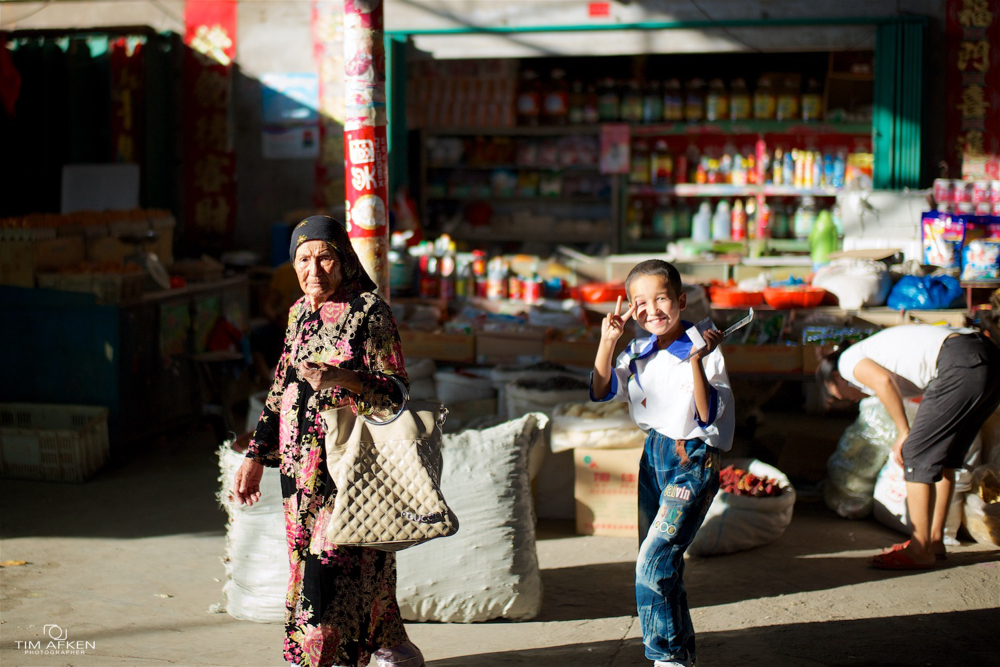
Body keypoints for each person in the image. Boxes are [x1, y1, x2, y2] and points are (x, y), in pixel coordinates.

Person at [233, 216, 424, 667]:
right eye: (303, 258)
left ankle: (326, 657)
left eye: (324, 257)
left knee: (329, 572)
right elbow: (280, 390)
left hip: (349, 472)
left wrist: (343, 378)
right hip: (301, 475)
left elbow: (396, 392)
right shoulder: (299, 312)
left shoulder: (369, 312)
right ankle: (389, 647)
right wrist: (256, 456)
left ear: (343, 259)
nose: (313, 268)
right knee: (327, 569)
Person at [591, 259, 734, 667]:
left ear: (681, 300)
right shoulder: (638, 351)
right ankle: (681, 654)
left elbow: (707, 416)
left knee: (653, 562)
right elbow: (601, 390)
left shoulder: (705, 346)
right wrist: (608, 341)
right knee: (659, 563)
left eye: (661, 299)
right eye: (640, 301)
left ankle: (666, 657)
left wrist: (696, 360)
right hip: (653, 457)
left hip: (692, 459)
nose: (651, 310)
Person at [818, 324, 1000, 569]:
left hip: (959, 361)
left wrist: (904, 432)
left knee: (914, 452)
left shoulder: (847, 362)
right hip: (988, 359)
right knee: (946, 458)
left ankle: (920, 547)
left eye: (839, 395)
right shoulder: (878, 350)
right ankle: (935, 542)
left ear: (837, 378)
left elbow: (883, 382)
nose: (848, 400)